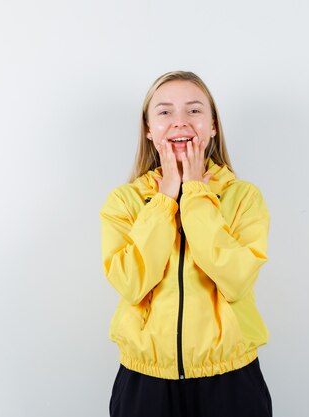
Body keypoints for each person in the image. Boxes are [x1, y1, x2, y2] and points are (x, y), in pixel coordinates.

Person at [99, 70, 273, 417]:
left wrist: (195, 193)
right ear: (149, 129)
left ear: (213, 126)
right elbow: (132, 283)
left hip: (230, 380)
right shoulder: (125, 202)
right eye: (165, 112)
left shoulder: (243, 198)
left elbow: (236, 279)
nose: (180, 122)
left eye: (194, 111)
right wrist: (165, 199)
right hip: (145, 383)